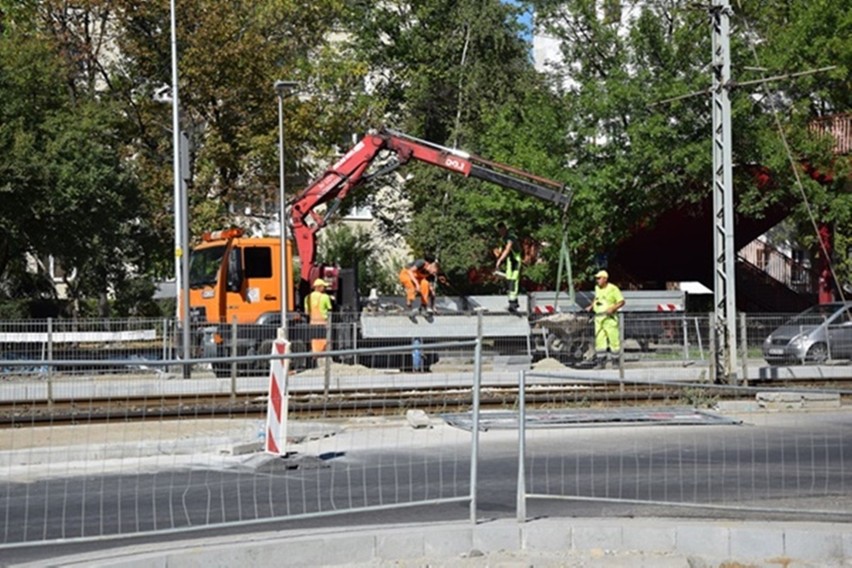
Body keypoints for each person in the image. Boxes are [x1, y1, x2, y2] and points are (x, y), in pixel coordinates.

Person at [585, 270, 625, 368]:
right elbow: (597, 298)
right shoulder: (597, 288)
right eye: (597, 278)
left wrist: (612, 308)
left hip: (609, 319)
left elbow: (621, 302)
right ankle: (601, 362)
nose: (597, 280)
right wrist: (591, 306)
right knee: (600, 341)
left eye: (599, 278)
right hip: (599, 318)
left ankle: (615, 362)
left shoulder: (613, 289)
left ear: (605, 279)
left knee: (614, 340)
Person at [495, 222, 521, 313]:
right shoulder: (504, 238)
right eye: (499, 231)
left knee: (513, 281)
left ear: (505, 229)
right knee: (509, 280)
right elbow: (502, 250)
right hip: (510, 261)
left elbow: (507, 249)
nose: (500, 233)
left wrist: (500, 260)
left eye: (501, 230)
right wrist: (498, 254)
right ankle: (513, 302)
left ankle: (513, 303)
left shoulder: (511, 237)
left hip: (515, 260)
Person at [304, 278, 333, 355]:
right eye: (323, 286)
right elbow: (330, 308)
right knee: (323, 340)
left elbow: (306, 312)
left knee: (314, 340)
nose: (325, 288)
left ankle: (315, 354)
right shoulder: (325, 297)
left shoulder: (307, 298)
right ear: (319, 287)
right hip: (323, 323)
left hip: (313, 322)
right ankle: (323, 355)